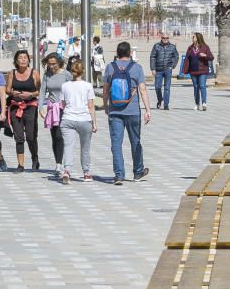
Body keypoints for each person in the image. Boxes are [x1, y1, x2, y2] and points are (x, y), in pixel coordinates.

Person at [103, 41, 151, 185]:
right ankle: (138, 172)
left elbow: (105, 90)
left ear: (117, 53)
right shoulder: (137, 68)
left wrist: (106, 106)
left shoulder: (110, 68)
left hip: (115, 111)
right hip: (133, 111)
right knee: (135, 141)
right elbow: (142, 90)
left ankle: (119, 175)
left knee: (116, 143)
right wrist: (148, 110)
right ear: (130, 53)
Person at [59, 60, 98, 184]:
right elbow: (91, 106)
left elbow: (62, 104)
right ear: (84, 71)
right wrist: (94, 122)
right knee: (85, 148)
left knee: (68, 146)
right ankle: (86, 173)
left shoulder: (65, 86)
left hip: (68, 118)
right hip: (84, 119)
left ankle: (67, 170)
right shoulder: (88, 86)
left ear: (71, 71)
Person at [6, 50, 41, 173]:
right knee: (19, 137)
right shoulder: (12, 73)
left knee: (31, 136)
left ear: (28, 60)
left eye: (25, 57)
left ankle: (35, 158)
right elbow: (7, 90)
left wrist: (30, 94)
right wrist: (12, 93)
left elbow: (39, 91)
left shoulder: (34, 73)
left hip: (30, 107)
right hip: (16, 107)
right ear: (16, 61)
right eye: (20, 58)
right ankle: (20, 165)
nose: (23, 60)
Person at [38, 52, 70, 178]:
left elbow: (72, 90)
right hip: (52, 108)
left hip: (63, 108)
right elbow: (42, 91)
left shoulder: (66, 75)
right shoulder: (47, 75)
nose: (51, 66)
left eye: (53, 64)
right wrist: (41, 107)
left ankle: (61, 163)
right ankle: (58, 163)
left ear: (59, 63)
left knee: (59, 135)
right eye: (49, 64)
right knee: (54, 135)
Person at [181, 32, 215, 111]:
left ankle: (204, 103)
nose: (192, 38)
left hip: (202, 70)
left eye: (194, 37)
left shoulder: (205, 47)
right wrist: (184, 71)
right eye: (192, 37)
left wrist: (205, 55)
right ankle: (197, 103)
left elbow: (211, 57)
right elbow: (186, 60)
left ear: (198, 38)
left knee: (202, 86)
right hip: (193, 71)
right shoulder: (190, 48)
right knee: (196, 87)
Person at [149, 33, 179, 111]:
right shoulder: (156, 46)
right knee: (157, 87)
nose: (165, 39)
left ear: (169, 38)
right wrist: (153, 69)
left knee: (167, 87)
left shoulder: (172, 47)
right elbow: (152, 57)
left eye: (167, 38)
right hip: (158, 70)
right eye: (163, 38)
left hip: (168, 70)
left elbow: (176, 56)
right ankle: (160, 99)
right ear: (161, 38)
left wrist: (172, 66)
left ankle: (166, 104)